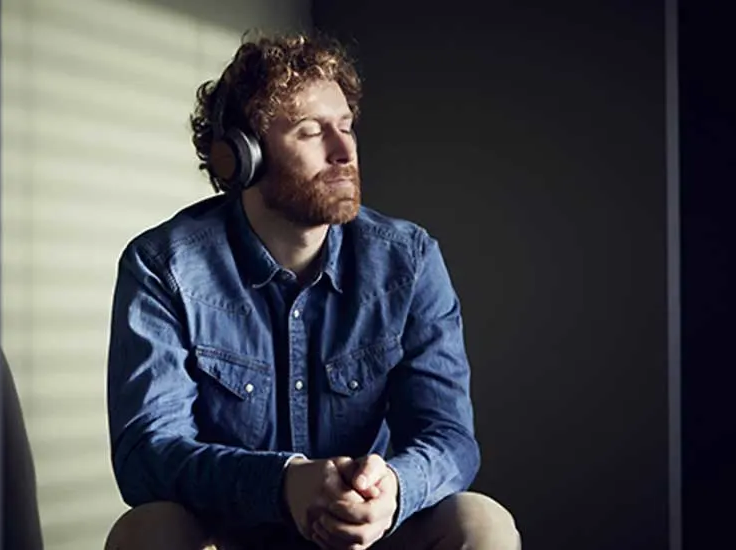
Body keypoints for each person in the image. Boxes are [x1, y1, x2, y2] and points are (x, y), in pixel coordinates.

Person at [104, 32, 520, 550]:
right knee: (146, 532)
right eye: (310, 132)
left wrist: (392, 489)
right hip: (238, 532)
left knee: (482, 523)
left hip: (371, 531)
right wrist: (283, 484)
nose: (344, 151)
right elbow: (148, 453)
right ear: (240, 157)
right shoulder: (163, 266)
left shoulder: (408, 260)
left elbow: (451, 438)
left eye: (346, 127)